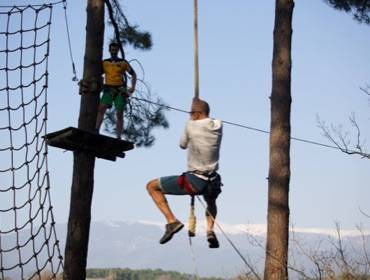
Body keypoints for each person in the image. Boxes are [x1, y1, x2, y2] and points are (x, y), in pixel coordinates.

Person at [146, 98, 223, 248]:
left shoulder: (191, 126)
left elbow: (182, 145)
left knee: (151, 186)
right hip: (213, 180)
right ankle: (210, 230)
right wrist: (197, 108)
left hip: (195, 179)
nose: (189, 115)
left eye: (191, 112)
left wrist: (191, 121)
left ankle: (171, 221)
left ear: (198, 114)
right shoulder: (218, 125)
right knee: (211, 201)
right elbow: (207, 119)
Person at [95, 42, 137, 139]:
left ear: (118, 51)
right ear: (109, 50)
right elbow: (98, 73)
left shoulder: (123, 62)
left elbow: (133, 74)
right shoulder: (105, 62)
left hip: (120, 90)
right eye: (112, 50)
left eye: (115, 50)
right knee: (101, 108)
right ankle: (96, 130)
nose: (114, 51)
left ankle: (118, 136)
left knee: (119, 113)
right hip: (108, 89)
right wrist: (100, 84)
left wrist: (132, 87)